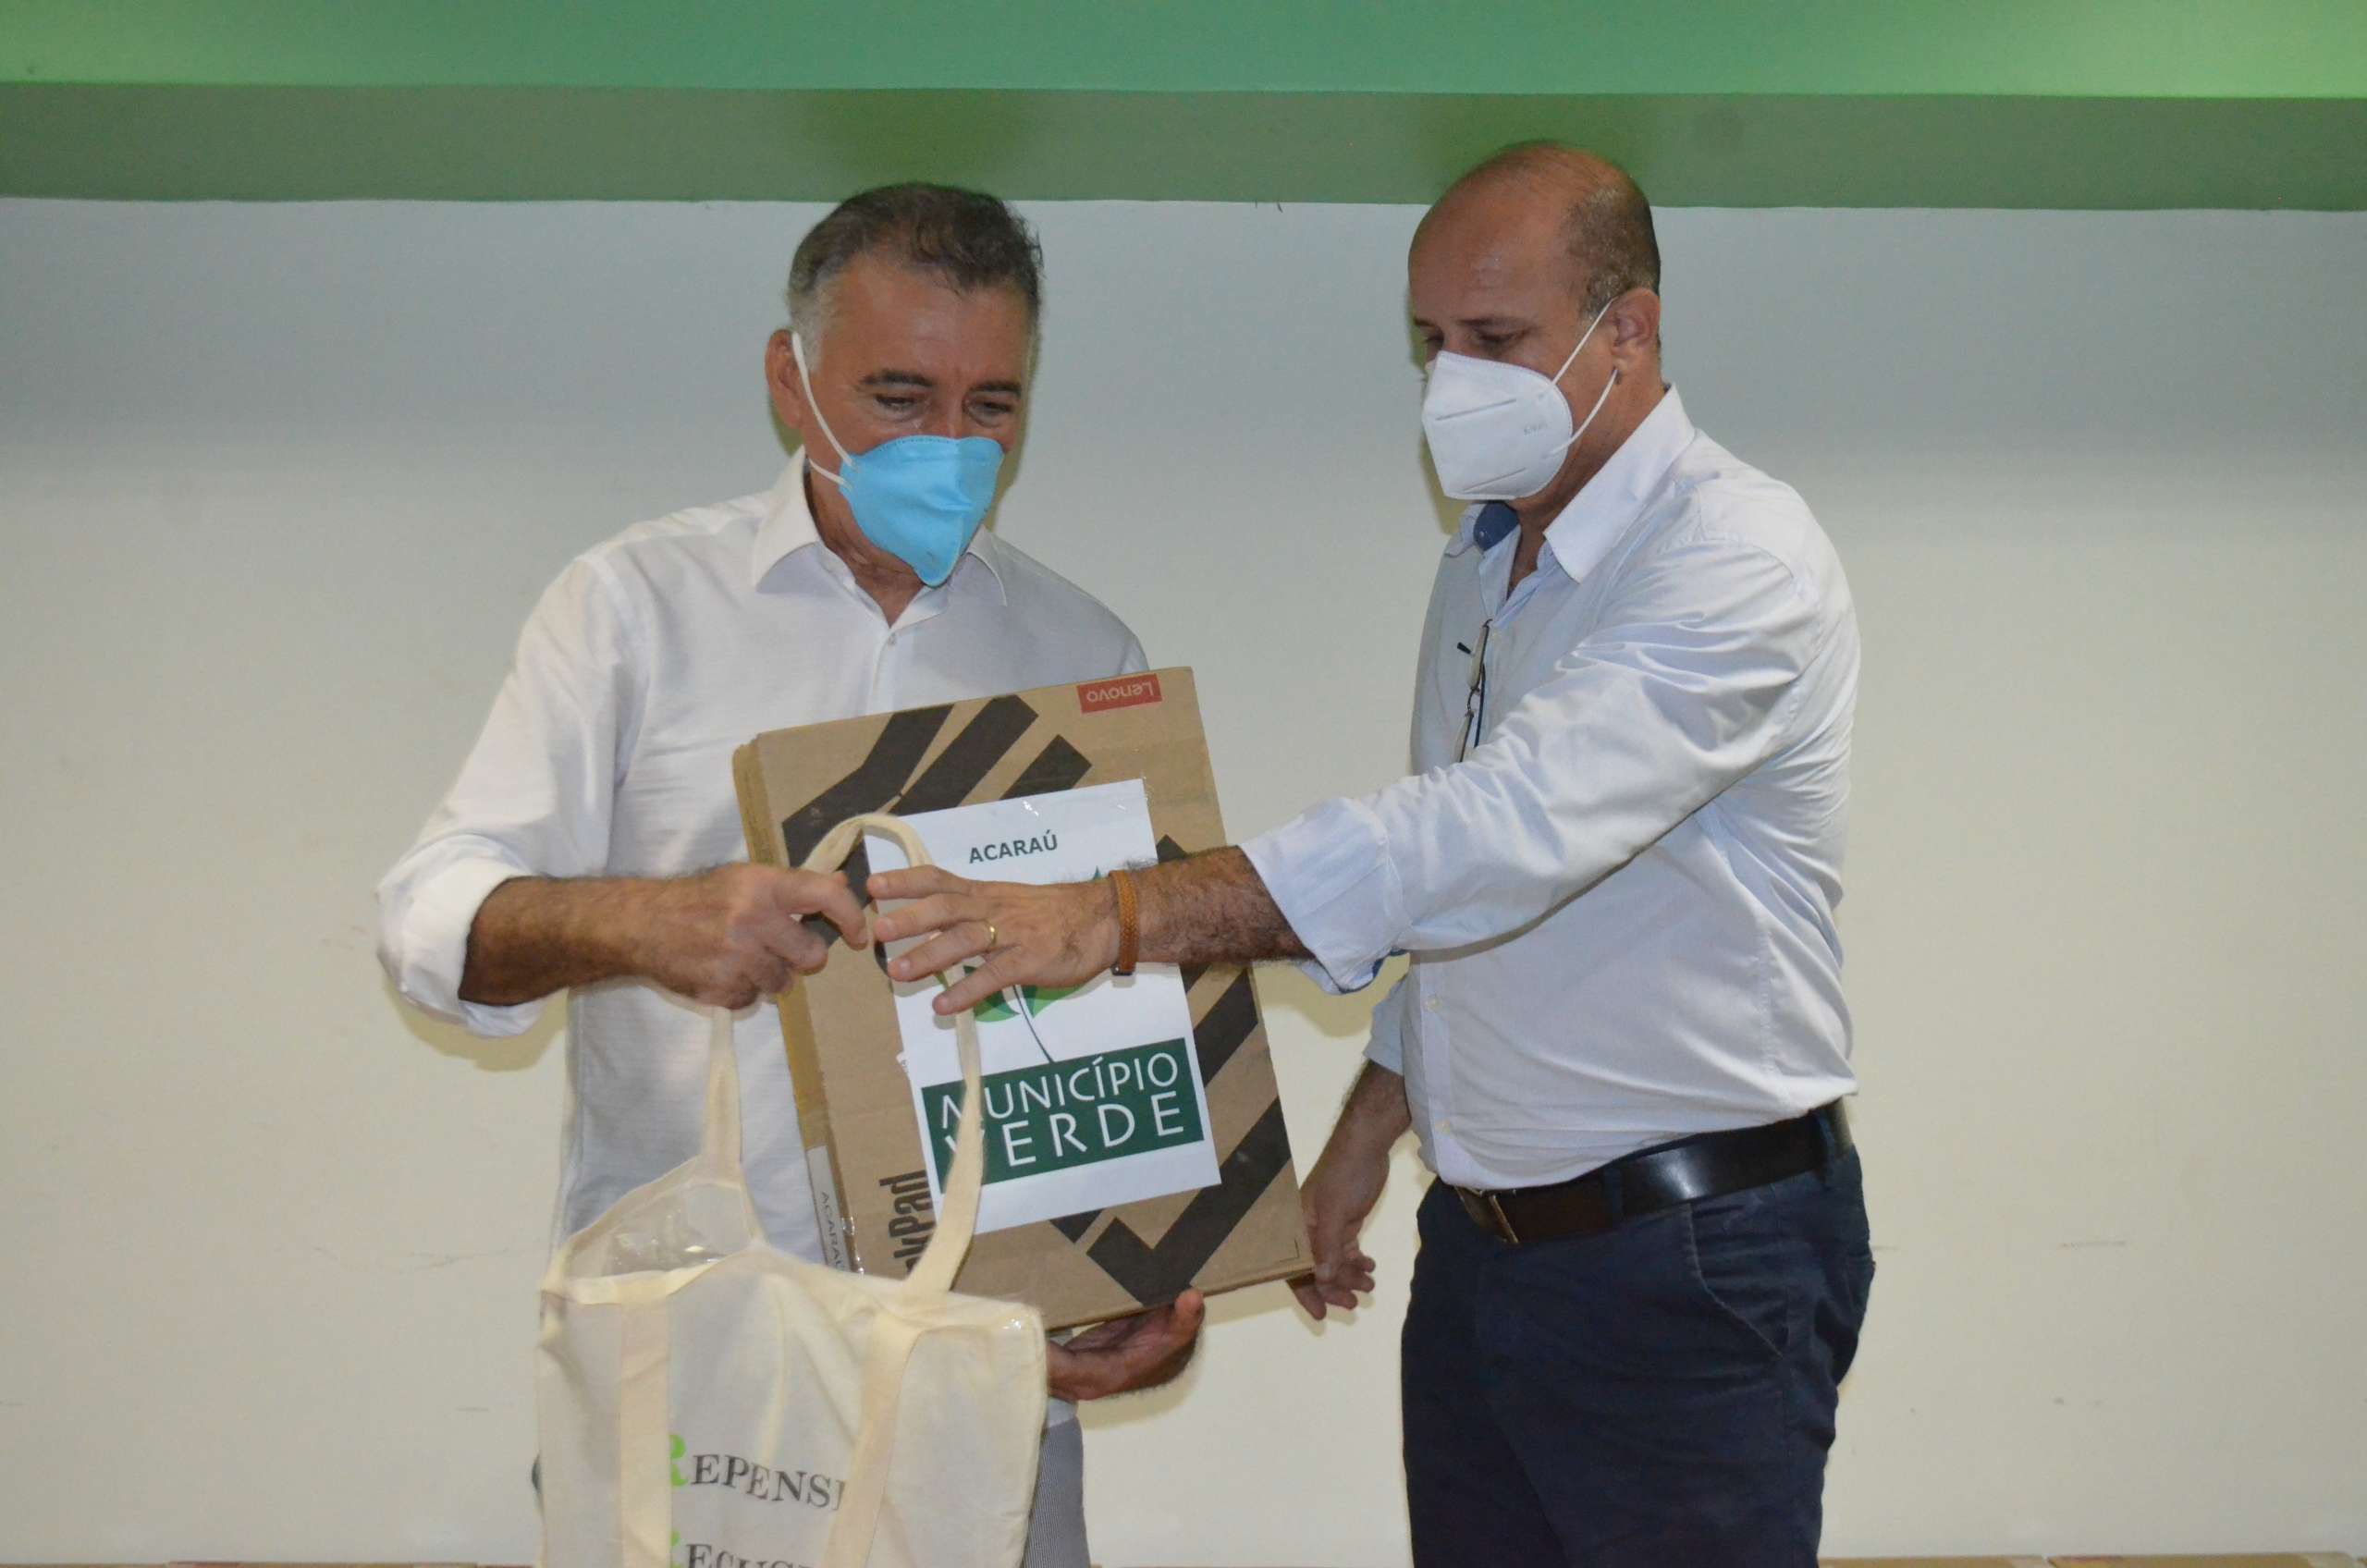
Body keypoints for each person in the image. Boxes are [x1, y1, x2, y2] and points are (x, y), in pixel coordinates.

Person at [865, 145, 1874, 1566]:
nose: (1452, 383)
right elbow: (1469, 898)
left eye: (1496, 339)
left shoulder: (1733, 557)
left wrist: (1114, 916)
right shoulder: (1488, 561)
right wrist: (1368, 1129)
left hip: (1689, 1262)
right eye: (1432, 341)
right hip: (1486, 1253)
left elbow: (1499, 832)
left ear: (1628, 330)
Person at [375, 183, 1201, 1568]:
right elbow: (427, 916)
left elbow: (1125, 1007)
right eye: (899, 396)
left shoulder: (1081, 653)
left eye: (992, 406)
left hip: (982, 1384)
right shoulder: (635, 608)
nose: (949, 446)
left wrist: (1138, 1274)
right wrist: (644, 922)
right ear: (790, 378)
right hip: (700, 1378)